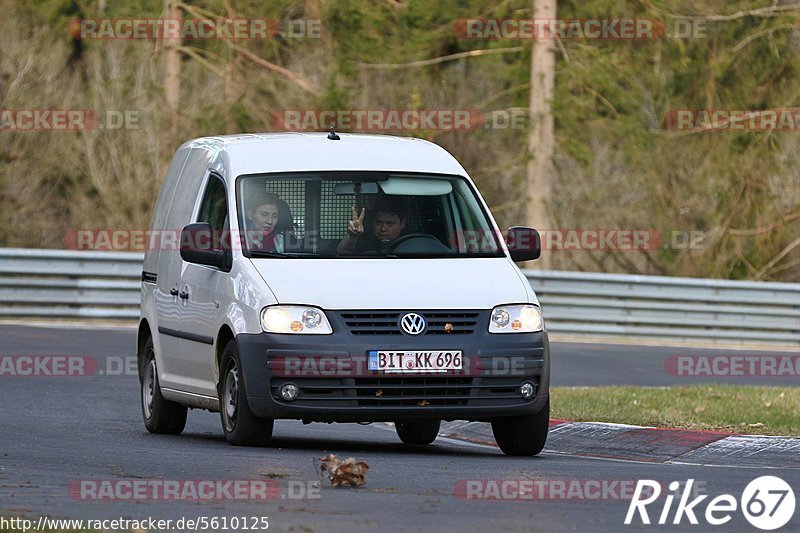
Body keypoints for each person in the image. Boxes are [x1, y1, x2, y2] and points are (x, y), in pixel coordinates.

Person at [337, 196, 407, 254]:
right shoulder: (365, 242)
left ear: (402, 223)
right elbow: (340, 253)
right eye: (378, 223)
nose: (383, 229)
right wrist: (353, 236)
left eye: (389, 224)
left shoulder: (410, 243)